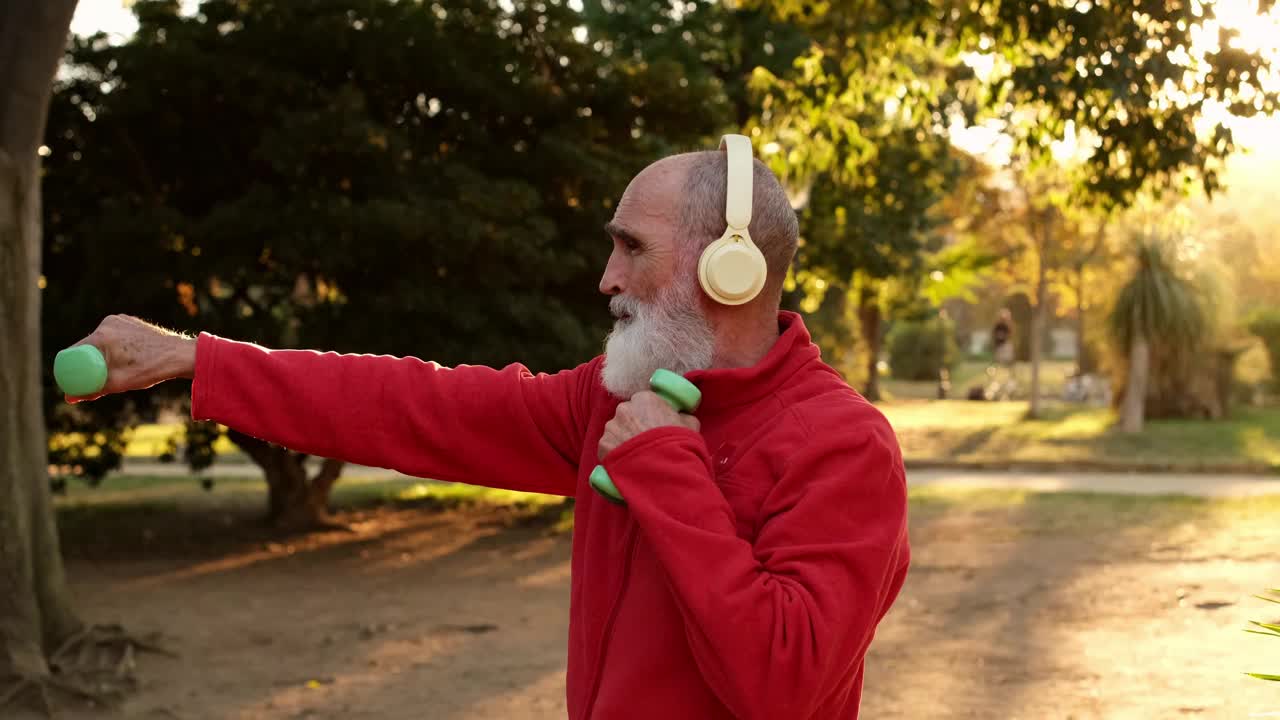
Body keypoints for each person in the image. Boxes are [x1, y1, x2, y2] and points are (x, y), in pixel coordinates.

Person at [65, 136, 911, 719]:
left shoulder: (844, 445)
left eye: (630, 247)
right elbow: (417, 407)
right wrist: (196, 361)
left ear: (730, 267)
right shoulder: (612, 398)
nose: (606, 275)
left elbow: (782, 685)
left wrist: (664, 468)